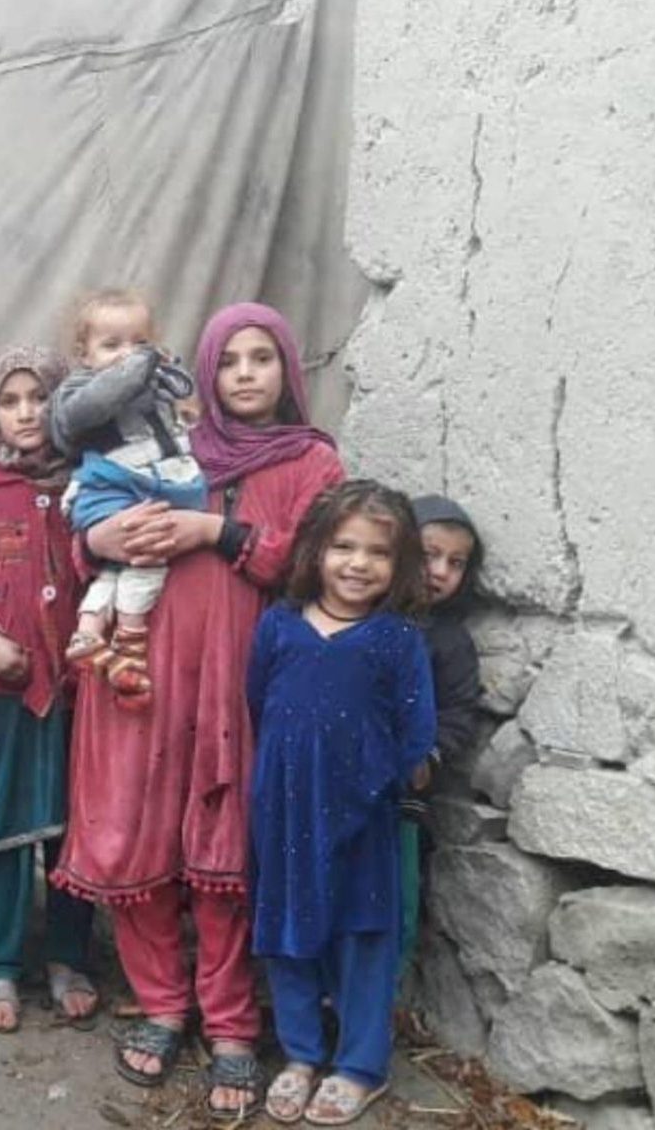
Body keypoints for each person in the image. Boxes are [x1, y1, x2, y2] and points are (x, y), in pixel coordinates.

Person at [52, 303, 343, 1109]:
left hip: (235, 679)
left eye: (262, 357)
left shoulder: (313, 462)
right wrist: (96, 543)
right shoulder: (170, 441)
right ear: (204, 372)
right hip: (138, 671)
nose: (245, 374)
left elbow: (313, 568)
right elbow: (88, 519)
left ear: (289, 369)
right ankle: (160, 1005)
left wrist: (213, 530)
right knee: (135, 832)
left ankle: (230, 1024)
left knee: (223, 854)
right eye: (229, 360)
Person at [250, 481, 437, 1125]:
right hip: (285, 809)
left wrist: (368, 784)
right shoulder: (278, 626)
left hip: (364, 814)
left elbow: (416, 732)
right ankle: (301, 1054)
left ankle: (360, 1065)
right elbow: (258, 704)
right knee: (287, 930)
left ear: (400, 564)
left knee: (362, 936)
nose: (359, 564)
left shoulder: (397, 639)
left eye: (378, 553)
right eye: (344, 547)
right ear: (315, 550)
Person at [0, 346, 99, 1035]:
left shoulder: (90, 481)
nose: (26, 413)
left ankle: (66, 956)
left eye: (39, 397)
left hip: (78, 692)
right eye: (9, 400)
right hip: (0, 694)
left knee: (73, 832)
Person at [49, 289, 204, 708]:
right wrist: (140, 365)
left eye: (139, 342)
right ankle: (130, 649)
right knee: (147, 551)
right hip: (110, 490)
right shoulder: (79, 388)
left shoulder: (151, 381)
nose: (127, 355)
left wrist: (168, 375)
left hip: (140, 486)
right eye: (111, 345)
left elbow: (181, 404)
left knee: (114, 572)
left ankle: (88, 632)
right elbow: (93, 405)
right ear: (84, 354)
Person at [398, 494, 485, 977]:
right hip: (334, 785)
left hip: (402, 797)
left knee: (396, 895)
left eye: (456, 563)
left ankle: (380, 998)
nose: (439, 572)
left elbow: (459, 712)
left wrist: (429, 757)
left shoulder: (449, 641)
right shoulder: (358, 617)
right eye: (429, 554)